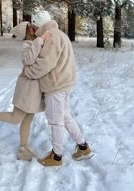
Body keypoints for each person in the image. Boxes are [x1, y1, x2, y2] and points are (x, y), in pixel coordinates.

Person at [22, 10, 94, 166]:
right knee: (66, 117)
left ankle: (56, 156)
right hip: (64, 83)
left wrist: (28, 72)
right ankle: (83, 147)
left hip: (55, 85)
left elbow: (45, 63)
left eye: (33, 26)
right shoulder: (58, 33)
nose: (32, 30)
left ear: (36, 26)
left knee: (56, 121)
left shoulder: (51, 36)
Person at [0, 21, 51, 161]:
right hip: (26, 87)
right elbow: (29, 59)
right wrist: (40, 40)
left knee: (28, 119)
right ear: (25, 33)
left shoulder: (38, 41)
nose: (32, 27)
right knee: (16, 118)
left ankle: (23, 149)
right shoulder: (27, 45)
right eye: (28, 28)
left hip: (36, 88)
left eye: (31, 24)